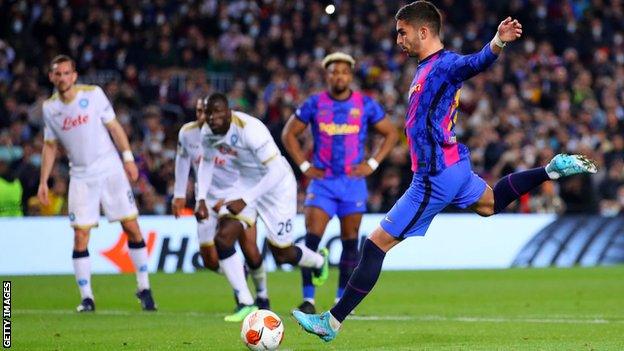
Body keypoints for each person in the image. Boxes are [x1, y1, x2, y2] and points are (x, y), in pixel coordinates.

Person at [293, 1, 597, 341]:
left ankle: (331, 322)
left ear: (423, 32)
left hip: (434, 176)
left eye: (402, 33)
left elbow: (475, 63)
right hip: (454, 166)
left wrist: (497, 42)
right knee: (491, 203)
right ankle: (550, 170)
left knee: (375, 245)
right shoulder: (426, 68)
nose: (398, 40)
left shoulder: (444, 64)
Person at [195, 93, 330, 322]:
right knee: (223, 238)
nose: (213, 118)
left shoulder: (250, 129)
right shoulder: (207, 132)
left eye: (218, 112)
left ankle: (318, 260)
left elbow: (276, 170)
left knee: (282, 253)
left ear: (229, 112)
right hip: (245, 183)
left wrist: (245, 199)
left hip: (277, 186)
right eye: (208, 113)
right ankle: (246, 302)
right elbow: (206, 163)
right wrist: (200, 198)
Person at [38, 55, 156, 312]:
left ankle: (144, 288)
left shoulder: (93, 95)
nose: (63, 78)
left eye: (67, 73)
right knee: (80, 235)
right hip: (80, 176)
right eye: (58, 74)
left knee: (132, 227)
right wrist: (43, 181)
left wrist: (128, 159)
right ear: (51, 77)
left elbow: (115, 128)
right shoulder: (49, 108)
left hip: (110, 169)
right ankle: (87, 298)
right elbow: (49, 146)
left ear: (74, 75)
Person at [282, 52, 398, 313]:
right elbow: (288, 133)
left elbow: (390, 134)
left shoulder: (365, 105)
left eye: (344, 72)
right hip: (323, 182)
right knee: (311, 240)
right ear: (327, 75)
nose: (339, 76)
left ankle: (339, 299)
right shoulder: (314, 103)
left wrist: (372, 163)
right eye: (334, 72)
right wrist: (303, 164)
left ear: (351, 75)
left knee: (349, 242)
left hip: (352, 183)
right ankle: (308, 299)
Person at [172, 97, 268, 310]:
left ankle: (261, 295)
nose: (202, 117)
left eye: (205, 112)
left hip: (236, 196)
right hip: (206, 199)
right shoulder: (187, 134)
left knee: (249, 248)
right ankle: (240, 277)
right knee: (210, 259)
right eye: (199, 112)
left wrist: (239, 196)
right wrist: (180, 194)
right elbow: (182, 161)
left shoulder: (230, 132)